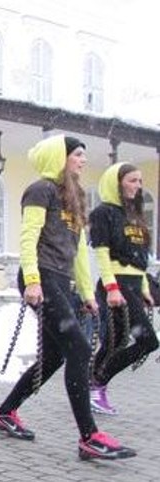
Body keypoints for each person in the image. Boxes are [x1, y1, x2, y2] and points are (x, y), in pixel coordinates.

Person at [0, 135, 137, 462]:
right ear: (60, 157)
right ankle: (89, 436)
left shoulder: (74, 196)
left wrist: (86, 292)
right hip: (41, 275)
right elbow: (28, 236)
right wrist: (33, 281)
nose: (83, 160)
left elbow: (79, 251)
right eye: (78, 155)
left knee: (54, 357)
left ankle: (4, 412)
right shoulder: (41, 190)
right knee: (80, 349)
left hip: (60, 279)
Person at [89, 162, 158, 415]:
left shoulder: (135, 216)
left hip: (132, 284)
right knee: (148, 341)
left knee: (114, 341)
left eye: (140, 181)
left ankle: (90, 387)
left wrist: (144, 289)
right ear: (116, 182)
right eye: (132, 180)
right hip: (115, 284)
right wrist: (112, 288)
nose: (137, 186)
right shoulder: (103, 213)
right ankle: (97, 384)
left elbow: (140, 259)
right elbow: (102, 254)